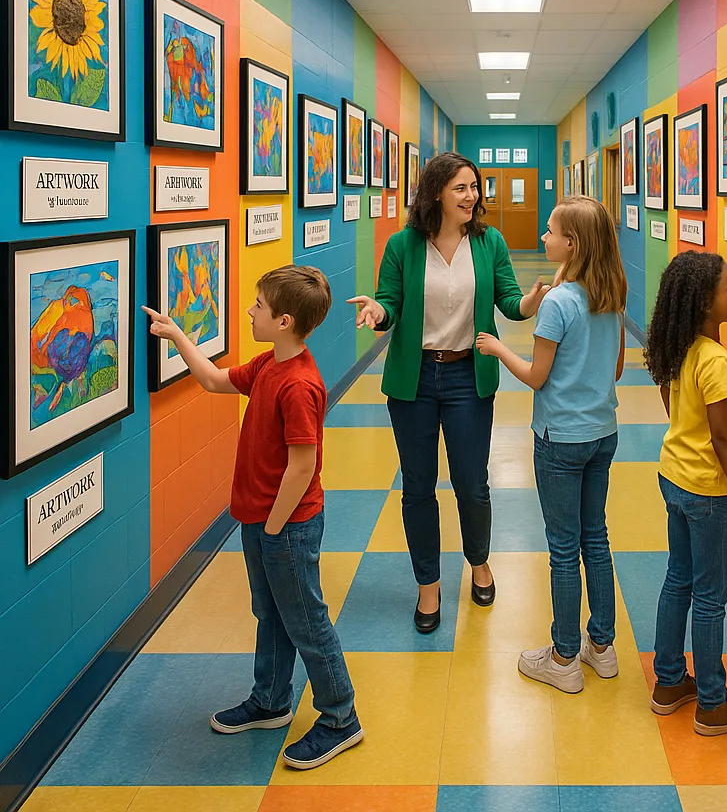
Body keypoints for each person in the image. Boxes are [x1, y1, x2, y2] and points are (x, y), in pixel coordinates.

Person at [143, 266, 362, 771]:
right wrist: (177, 334)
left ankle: (340, 716)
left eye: (258, 306)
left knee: (307, 621)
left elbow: (303, 463)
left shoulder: (300, 385)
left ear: (284, 320)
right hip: (263, 521)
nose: (249, 310)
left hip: (286, 525)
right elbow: (216, 380)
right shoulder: (268, 366)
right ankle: (271, 700)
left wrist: (274, 526)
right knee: (273, 614)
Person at [347, 152, 548, 632]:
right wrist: (378, 312)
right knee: (417, 488)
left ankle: (479, 562)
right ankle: (429, 585)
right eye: (461, 187)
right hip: (413, 380)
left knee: (472, 484)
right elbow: (391, 303)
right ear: (436, 191)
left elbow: (509, 301)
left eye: (474, 187)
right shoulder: (403, 245)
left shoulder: (489, 241)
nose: (471, 195)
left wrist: (532, 300)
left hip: (467, 378)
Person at [477, 197, 626, 694]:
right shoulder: (613, 293)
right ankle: (600, 648)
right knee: (596, 539)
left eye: (550, 231)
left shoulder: (559, 303)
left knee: (563, 549)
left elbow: (538, 377)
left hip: (559, 440)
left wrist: (498, 347)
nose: (544, 237)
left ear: (572, 243)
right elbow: (618, 369)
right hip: (602, 433)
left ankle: (563, 656)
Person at [643, 251, 727, 735]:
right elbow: (722, 438)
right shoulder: (716, 361)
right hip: (710, 494)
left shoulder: (681, 346)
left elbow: (671, 403)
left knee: (679, 580)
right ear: (703, 302)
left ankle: (669, 681)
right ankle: (713, 703)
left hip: (674, 477)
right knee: (711, 597)